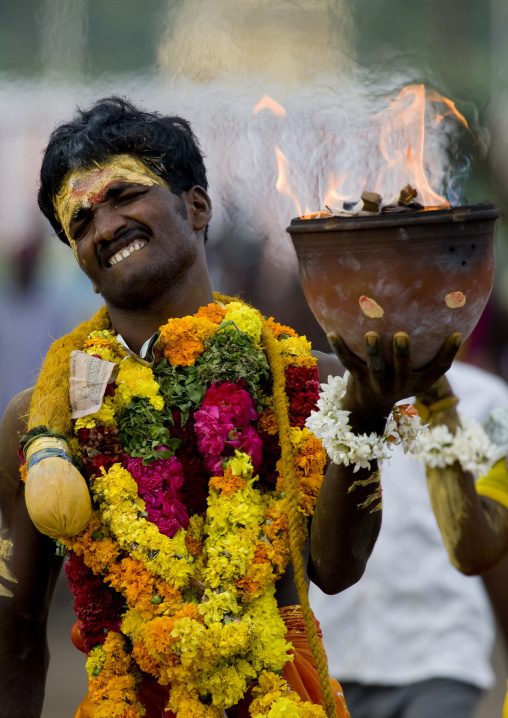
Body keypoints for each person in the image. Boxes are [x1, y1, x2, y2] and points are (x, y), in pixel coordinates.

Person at [0, 97, 459, 718]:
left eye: (124, 195)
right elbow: (17, 638)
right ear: (81, 261)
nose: (104, 227)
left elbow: (334, 567)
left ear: (196, 206)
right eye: (80, 222)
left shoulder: (307, 383)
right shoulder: (41, 424)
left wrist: (367, 416)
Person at [310, 360, 508, 718]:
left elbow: (491, 547)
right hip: (335, 649)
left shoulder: (494, 401)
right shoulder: (329, 387)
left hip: (441, 652)